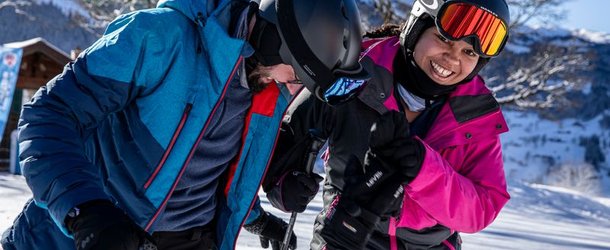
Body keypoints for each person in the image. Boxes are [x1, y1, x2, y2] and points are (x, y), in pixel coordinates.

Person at [0, 0, 369, 249]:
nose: (296, 88)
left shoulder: (267, 87)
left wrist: (257, 219)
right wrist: (86, 211)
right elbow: (48, 116)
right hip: (86, 233)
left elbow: (204, 172)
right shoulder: (163, 38)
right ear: (277, 41)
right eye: (299, 75)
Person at [263, 0, 512, 249]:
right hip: (345, 235)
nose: (452, 58)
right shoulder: (353, 74)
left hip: (429, 245)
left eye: (469, 52)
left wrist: (423, 169)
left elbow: (482, 207)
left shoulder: (475, 115)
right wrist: (283, 183)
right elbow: (284, 137)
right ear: (417, 27)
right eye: (444, 39)